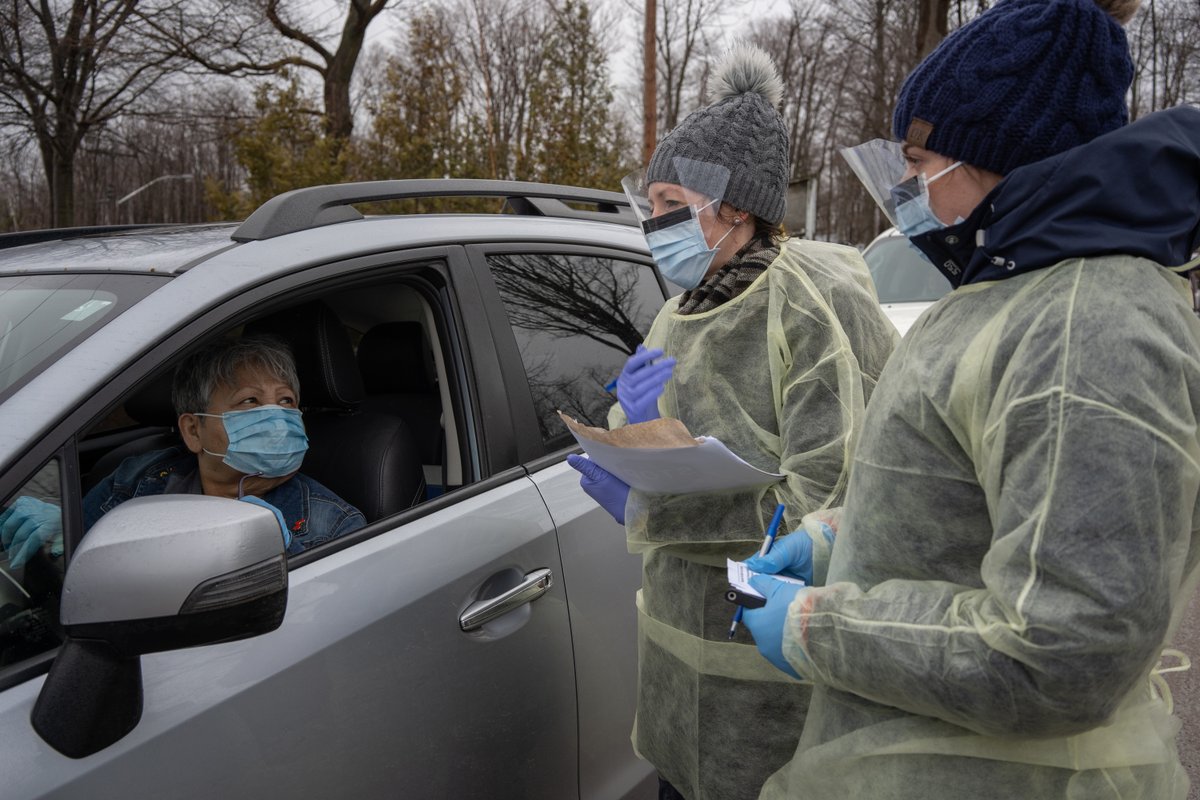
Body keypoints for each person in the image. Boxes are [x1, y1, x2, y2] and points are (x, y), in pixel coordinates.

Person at [740, 1, 1200, 797]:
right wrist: (833, 541)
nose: (908, 189)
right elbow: (961, 491)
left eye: (920, 164)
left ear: (998, 157)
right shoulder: (1012, 287)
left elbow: (1063, 648)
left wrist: (823, 626)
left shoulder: (1084, 326)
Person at [567, 44, 899, 800]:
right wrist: (633, 426)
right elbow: (648, 439)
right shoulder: (679, 311)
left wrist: (656, 509)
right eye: (647, 203)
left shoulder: (809, 308)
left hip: (769, 678)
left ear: (736, 207)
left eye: (668, 202)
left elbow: (826, 512)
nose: (652, 223)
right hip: (677, 667)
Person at [1, 335, 365, 566]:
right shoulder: (137, 478)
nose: (276, 417)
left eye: (286, 401)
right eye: (250, 401)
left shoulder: (333, 523)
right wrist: (63, 528)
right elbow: (80, 558)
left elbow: (330, 621)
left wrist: (286, 556)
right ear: (193, 430)